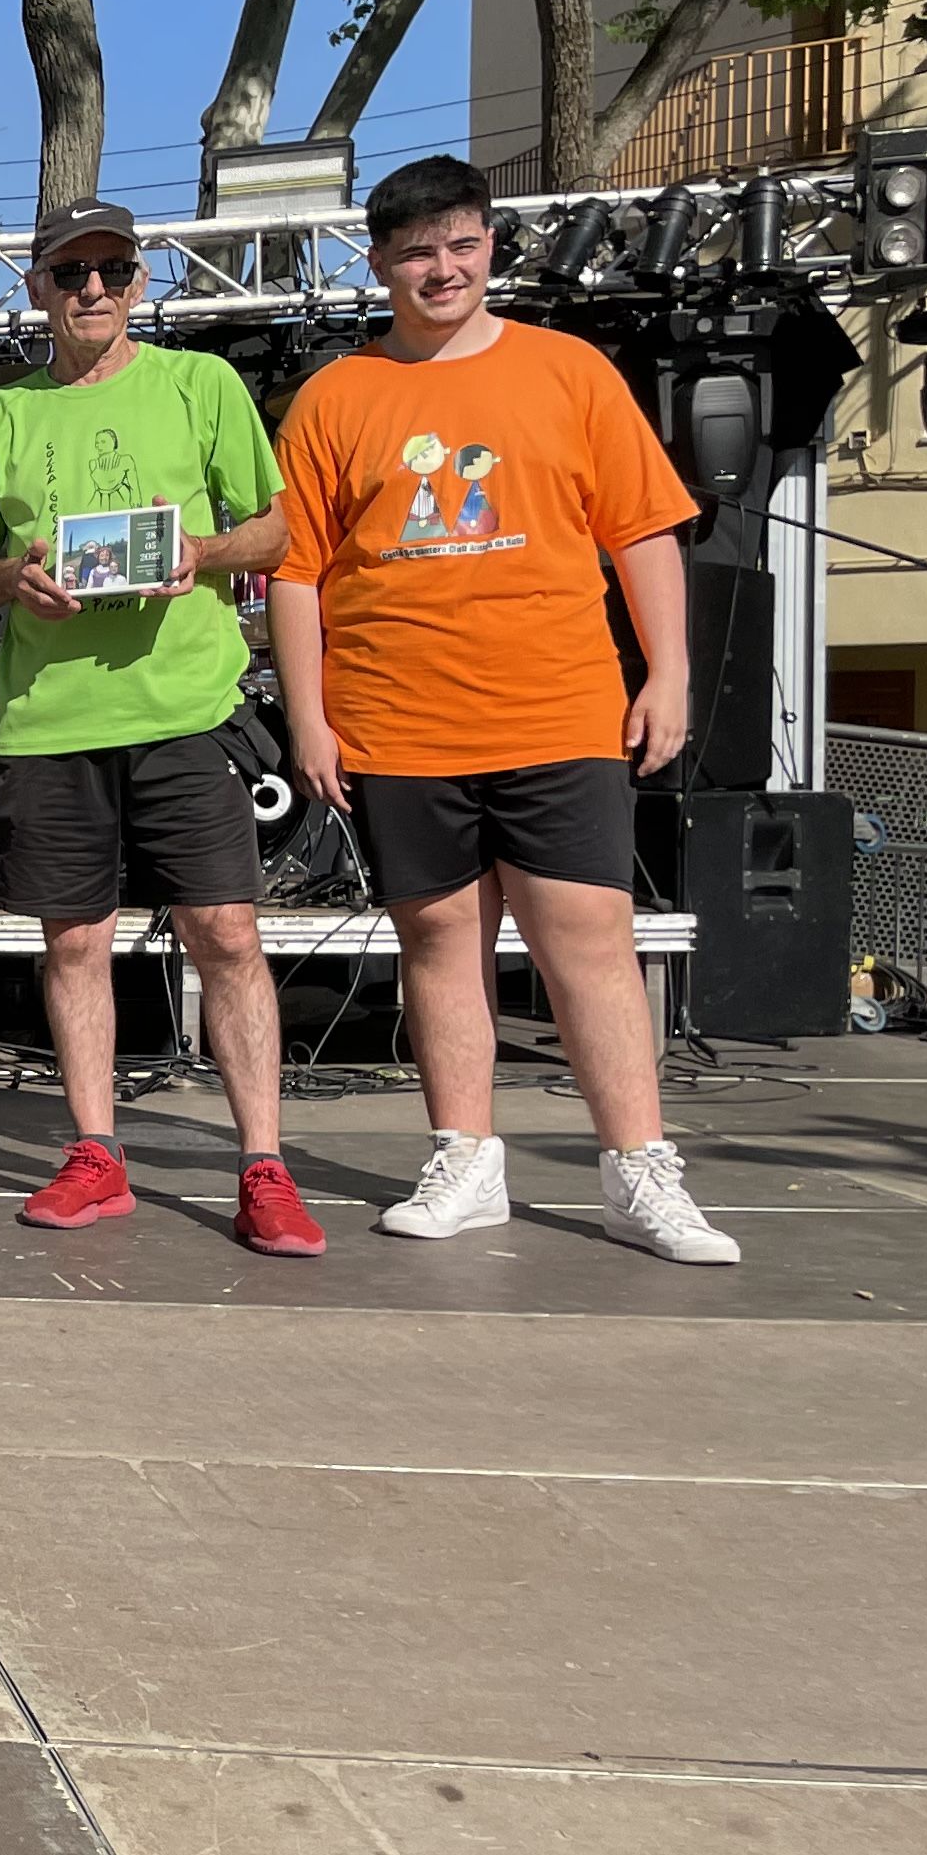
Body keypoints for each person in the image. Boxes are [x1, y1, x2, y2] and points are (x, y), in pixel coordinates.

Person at [271, 155, 738, 1265]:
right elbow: (294, 573)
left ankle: (640, 1170)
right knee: (438, 937)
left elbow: (643, 530)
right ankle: (466, 1156)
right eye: (417, 250)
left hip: (558, 705)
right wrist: (310, 719)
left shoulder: (567, 371)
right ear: (381, 263)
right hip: (398, 713)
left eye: (462, 245)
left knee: (589, 936)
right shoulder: (338, 396)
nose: (442, 267)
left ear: (491, 247)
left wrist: (665, 670)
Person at [0, 199, 322, 1255]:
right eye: (69, 273)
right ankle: (97, 1152)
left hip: (185, 711)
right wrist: (15, 579)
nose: (91, 289)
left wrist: (201, 553)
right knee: (74, 942)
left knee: (228, 935)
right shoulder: (2, 414)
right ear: (37, 289)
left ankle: (263, 1165)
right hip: (50, 722)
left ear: (140, 282)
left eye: (110, 270)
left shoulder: (201, 385)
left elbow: (276, 528)